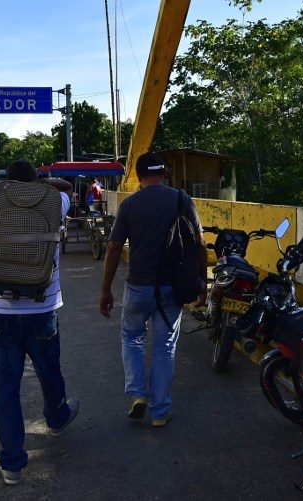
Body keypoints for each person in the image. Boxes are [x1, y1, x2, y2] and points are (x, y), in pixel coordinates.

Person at [0, 159, 79, 485]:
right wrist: (48, 184)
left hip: (0, 312)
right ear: (35, 182)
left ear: (7, 182)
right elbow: (68, 190)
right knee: (49, 370)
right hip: (41, 309)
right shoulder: (54, 206)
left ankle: (12, 465)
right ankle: (57, 417)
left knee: (6, 390)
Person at [98, 152, 207, 427]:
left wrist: (105, 290)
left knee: (132, 337)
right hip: (172, 287)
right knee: (164, 347)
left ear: (138, 175)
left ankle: (137, 394)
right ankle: (160, 412)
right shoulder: (182, 199)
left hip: (137, 287)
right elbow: (201, 244)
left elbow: (113, 247)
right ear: (165, 172)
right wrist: (202, 282)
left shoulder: (129, 205)